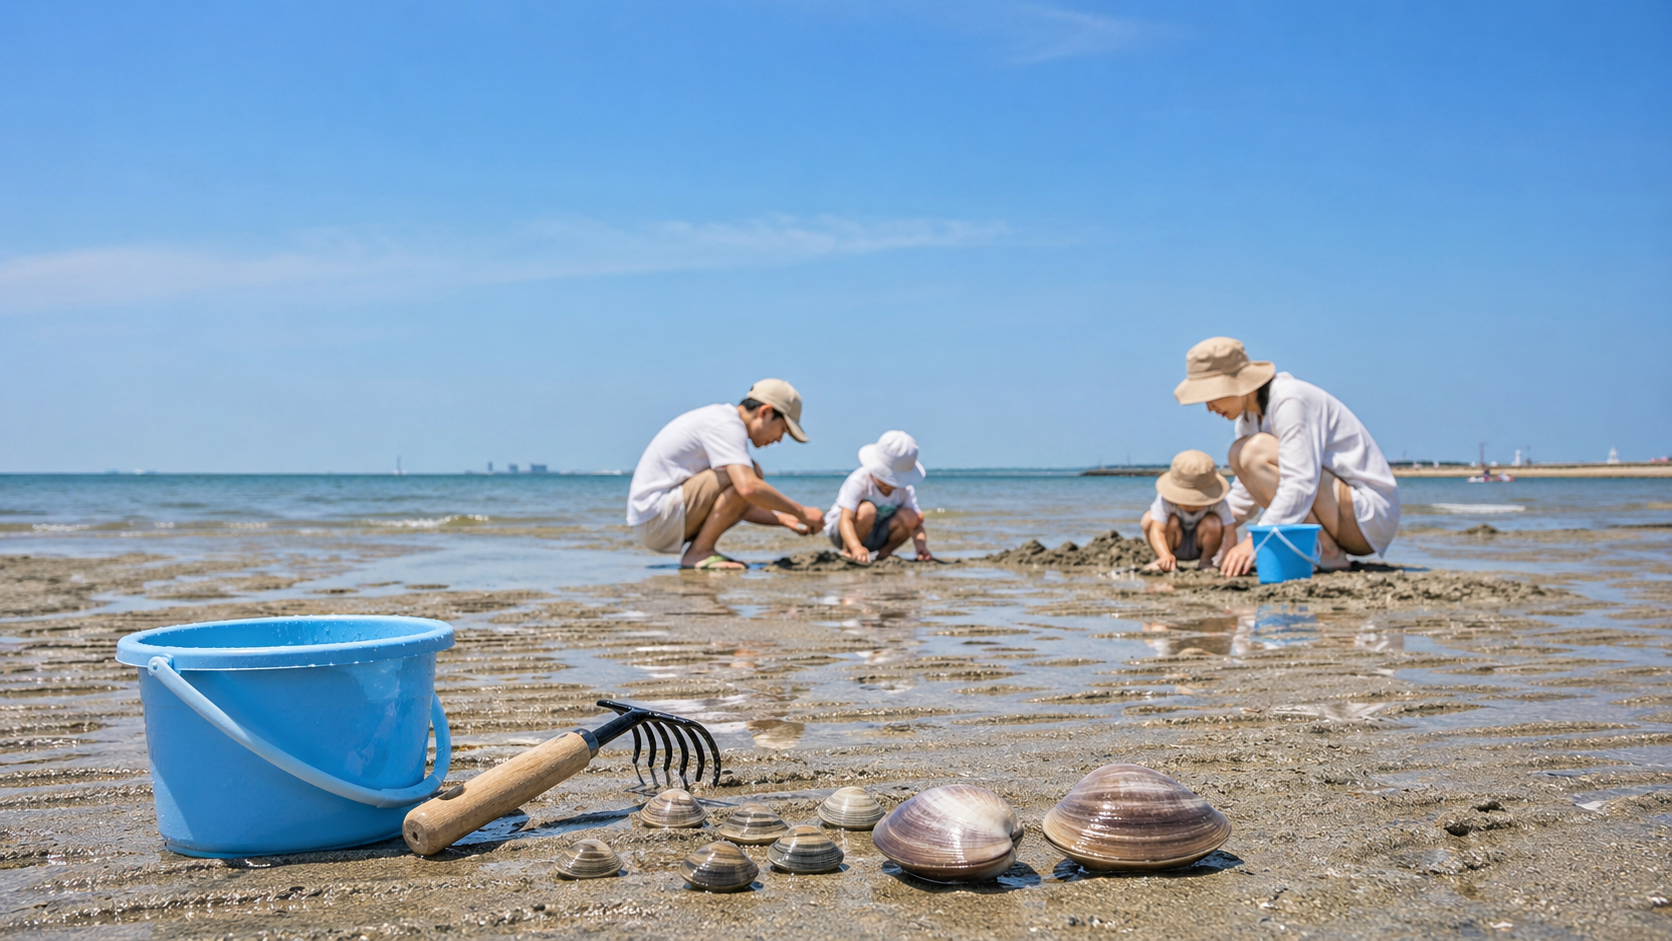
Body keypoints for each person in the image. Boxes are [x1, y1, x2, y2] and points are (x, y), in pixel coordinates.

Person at [1173, 337, 1400, 576]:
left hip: (1367, 517)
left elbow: (1300, 482)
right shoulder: (1250, 417)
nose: (1209, 407)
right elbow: (1246, 494)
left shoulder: (1289, 400)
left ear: (1236, 383)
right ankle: (1321, 547)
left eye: (1211, 395)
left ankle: (1327, 553)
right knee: (1239, 452)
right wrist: (1205, 525)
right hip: (1338, 514)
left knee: (1253, 451)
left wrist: (1256, 540)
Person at [626, 379, 824, 570]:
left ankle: (700, 551)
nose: (780, 439)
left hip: (656, 521)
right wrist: (802, 512)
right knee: (749, 475)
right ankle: (699, 553)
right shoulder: (725, 424)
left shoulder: (723, 422)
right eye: (783, 429)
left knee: (747, 474)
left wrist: (784, 519)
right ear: (765, 412)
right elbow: (747, 488)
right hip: (657, 519)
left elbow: (733, 503)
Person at [824, 430, 933, 563]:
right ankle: (848, 552)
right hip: (844, 533)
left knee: (911, 516)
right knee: (867, 510)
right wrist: (855, 546)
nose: (890, 484)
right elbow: (846, 519)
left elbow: (916, 524)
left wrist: (921, 547)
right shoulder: (859, 480)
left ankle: (885, 552)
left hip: (877, 534)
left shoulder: (904, 489)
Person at [1141, 450, 1237, 572]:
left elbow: (1230, 532)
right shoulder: (1165, 500)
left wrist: (1226, 559)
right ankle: (1164, 560)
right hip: (1172, 542)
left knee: (1213, 522)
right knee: (1150, 518)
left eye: (1198, 501)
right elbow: (1157, 529)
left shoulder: (1217, 502)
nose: (1192, 505)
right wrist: (1164, 554)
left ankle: (1205, 561)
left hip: (1200, 544)